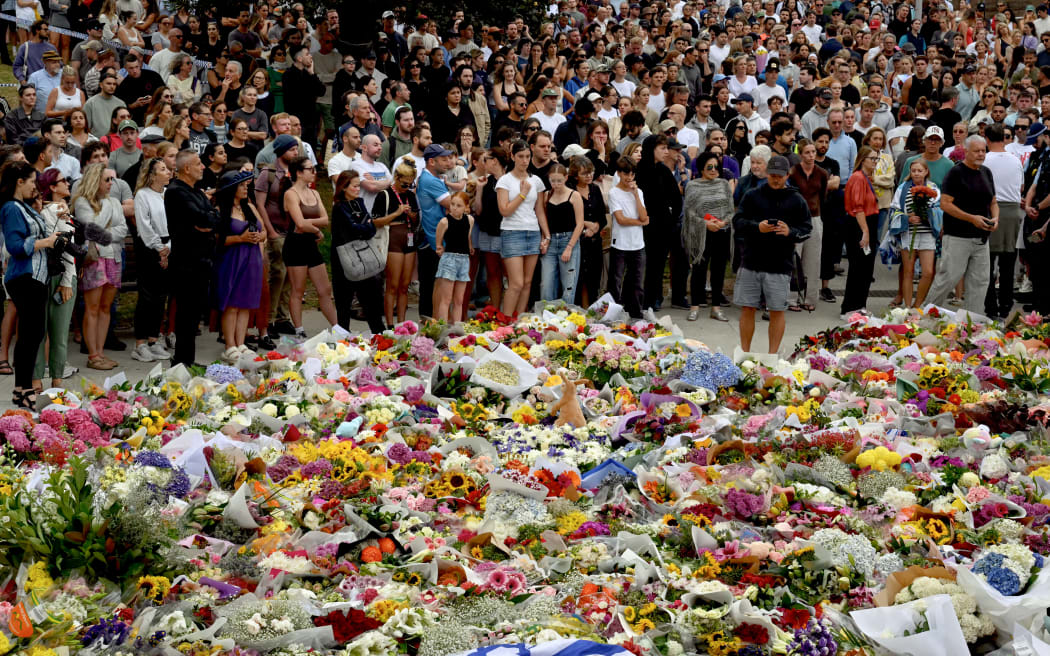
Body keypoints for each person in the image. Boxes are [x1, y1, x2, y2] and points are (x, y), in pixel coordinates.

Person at [733, 155, 812, 355]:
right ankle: (744, 353)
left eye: (780, 175)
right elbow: (738, 222)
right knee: (747, 308)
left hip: (780, 264)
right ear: (767, 174)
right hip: (751, 261)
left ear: (787, 175)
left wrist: (790, 232)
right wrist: (757, 227)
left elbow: (807, 229)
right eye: (773, 175)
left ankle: (772, 356)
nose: (776, 179)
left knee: (777, 310)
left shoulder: (796, 200)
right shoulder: (752, 195)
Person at [0, 161, 59, 408]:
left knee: (34, 335)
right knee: (28, 336)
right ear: (19, 181)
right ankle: (23, 388)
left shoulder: (24, 206)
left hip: (37, 277)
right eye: (32, 181)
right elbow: (14, 247)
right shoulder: (11, 208)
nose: (35, 187)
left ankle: (21, 389)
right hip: (24, 277)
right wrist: (46, 242)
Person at [926, 136, 999, 316]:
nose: (981, 154)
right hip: (958, 236)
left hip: (982, 238)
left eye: (983, 150)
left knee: (980, 282)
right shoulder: (956, 172)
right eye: (977, 151)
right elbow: (945, 203)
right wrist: (971, 218)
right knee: (948, 279)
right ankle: (924, 316)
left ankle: (971, 324)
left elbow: (993, 202)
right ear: (966, 152)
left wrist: (995, 219)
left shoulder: (986, 172)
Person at [166, 149, 220, 366]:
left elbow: (214, 217)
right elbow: (201, 218)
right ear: (186, 168)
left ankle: (188, 359)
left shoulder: (196, 192)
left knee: (194, 315)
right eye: (199, 163)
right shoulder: (175, 191)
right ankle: (181, 360)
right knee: (186, 314)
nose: (203, 167)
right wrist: (206, 221)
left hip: (202, 261)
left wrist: (208, 220)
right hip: (185, 262)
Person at [72, 162, 127, 371]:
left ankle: (101, 352)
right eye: (107, 180)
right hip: (95, 259)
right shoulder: (82, 201)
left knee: (106, 308)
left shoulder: (114, 201)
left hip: (114, 257)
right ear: (95, 181)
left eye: (112, 179)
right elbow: (91, 228)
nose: (111, 183)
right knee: (92, 307)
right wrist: (105, 207)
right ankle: (92, 354)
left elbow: (123, 229)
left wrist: (105, 231)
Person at [281, 156, 337, 339]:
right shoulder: (291, 194)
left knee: (325, 289)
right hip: (296, 244)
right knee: (298, 289)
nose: (314, 172)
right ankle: (299, 329)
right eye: (310, 169)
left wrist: (310, 227)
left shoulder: (315, 193)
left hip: (310, 243)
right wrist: (314, 229)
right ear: (299, 172)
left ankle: (337, 327)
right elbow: (298, 223)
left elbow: (325, 220)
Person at [214, 169, 265, 359]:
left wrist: (259, 236)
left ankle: (241, 342)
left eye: (246, 185)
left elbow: (264, 231)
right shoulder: (220, 211)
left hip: (252, 258)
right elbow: (216, 240)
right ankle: (230, 344)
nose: (246, 188)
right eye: (242, 185)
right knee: (232, 303)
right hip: (232, 258)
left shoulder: (249, 208)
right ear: (231, 188)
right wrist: (240, 238)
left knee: (245, 303)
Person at [33, 169, 77, 389]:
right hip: (49, 275)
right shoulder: (55, 209)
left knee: (58, 332)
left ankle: (55, 379)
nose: (68, 183)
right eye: (63, 181)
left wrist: (67, 281)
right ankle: (39, 379)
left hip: (58, 276)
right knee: (43, 331)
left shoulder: (61, 209)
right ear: (51, 187)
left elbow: (68, 247)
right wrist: (67, 281)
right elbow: (65, 245)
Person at [497, 139, 548, 316]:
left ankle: (519, 321)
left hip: (533, 231)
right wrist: (522, 194)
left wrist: (546, 235)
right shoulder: (505, 180)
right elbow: (504, 210)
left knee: (527, 282)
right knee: (516, 283)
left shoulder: (537, 180)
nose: (525, 160)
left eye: (527, 156)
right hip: (512, 232)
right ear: (512, 156)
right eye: (520, 156)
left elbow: (540, 211)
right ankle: (505, 322)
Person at [255, 133, 299, 341]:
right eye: (292, 149)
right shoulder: (268, 173)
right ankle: (269, 318)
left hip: (292, 231)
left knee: (291, 274)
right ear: (281, 151)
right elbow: (260, 204)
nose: (296, 152)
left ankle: (283, 316)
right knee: (278, 273)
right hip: (276, 230)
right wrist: (270, 230)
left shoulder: (295, 173)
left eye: (296, 149)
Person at [330, 170, 385, 333]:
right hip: (345, 259)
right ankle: (343, 340)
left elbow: (371, 228)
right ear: (344, 187)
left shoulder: (360, 202)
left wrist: (365, 226)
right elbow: (351, 230)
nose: (357, 189)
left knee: (371, 301)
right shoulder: (339, 207)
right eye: (354, 186)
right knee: (344, 303)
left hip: (364, 257)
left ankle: (379, 335)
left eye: (358, 186)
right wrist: (364, 225)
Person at [130, 157, 173, 363]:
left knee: (161, 296)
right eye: (163, 169)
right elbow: (144, 226)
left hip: (168, 245)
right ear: (152, 175)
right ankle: (140, 343)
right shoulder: (142, 195)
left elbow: (175, 222)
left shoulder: (169, 194)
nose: (168, 172)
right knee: (147, 295)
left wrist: (168, 248)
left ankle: (154, 339)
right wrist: (159, 249)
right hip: (149, 247)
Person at [684, 150, 734, 322]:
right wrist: (705, 223)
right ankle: (695, 306)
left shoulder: (724, 184)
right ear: (701, 168)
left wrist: (723, 222)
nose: (713, 170)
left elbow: (730, 210)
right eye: (709, 167)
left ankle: (716, 307)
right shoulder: (693, 186)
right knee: (699, 269)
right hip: (701, 234)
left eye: (716, 167)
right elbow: (689, 212)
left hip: (721, 232)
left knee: (719, 270)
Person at [981, 123, 1024, 319]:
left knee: (987, 262)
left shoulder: (985, 160)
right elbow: (1021, 186)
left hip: (991, 208)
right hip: (1012, 210)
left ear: (987, 139)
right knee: (1008, 260)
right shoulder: (1015, 160)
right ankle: (1006, 304)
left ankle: (990, 305)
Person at [371, 160, 419, 328]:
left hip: (409, 238)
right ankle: (390, 323)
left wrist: (412, 216)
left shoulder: (411, 196)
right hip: (393, 241)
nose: (406, 187)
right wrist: (397, 213)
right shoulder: (385, 195)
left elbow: (416, 218)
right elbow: (376, 221)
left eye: (410, 184)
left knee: (404, 286)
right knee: (393, 284)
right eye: (404, 184)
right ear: (396, 178)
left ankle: (402, 323)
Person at [889, 158, 942, 308]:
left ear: (926, 172)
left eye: (920, 171)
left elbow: (939, 210)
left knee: (928, 272)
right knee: (908, 271)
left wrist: (928, 214)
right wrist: (907, 218)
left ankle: (917, 304)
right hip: (909, 233)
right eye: (913, 171)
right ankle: (907, 306)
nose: (916, 174)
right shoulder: (902, 188)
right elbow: (894, 210)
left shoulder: (933, 188)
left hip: (927, 234)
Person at [788, 139, 829, 312]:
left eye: (813, 152)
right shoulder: (793, 172)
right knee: (794, 258)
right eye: (807, 152)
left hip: (814, 217)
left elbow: (823, 196)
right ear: (800, 154)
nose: (811, 155)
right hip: (795, 219)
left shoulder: (821, 173)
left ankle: (810, 297)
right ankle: (791, 298)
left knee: (813, 260)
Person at [840, 146, 881, 318]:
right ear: (863, 159)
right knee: (858, 267)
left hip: (867, 222)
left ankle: (859, 305)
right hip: (859, 224)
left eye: (876, 159)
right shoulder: (857, 178)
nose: (875, 162)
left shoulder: (866, 178)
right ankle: (850, 307)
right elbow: (858, 208)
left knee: (866, 268)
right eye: (872, 158)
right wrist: (865, 231)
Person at [607, 157, 649, 319]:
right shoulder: (613, 193)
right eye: (626, 173)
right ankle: (614, 314)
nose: (629, 177)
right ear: (619, 173)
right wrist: (640, 222)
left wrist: (636, 196)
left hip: (638, 244)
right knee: (616, 282)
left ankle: (636, 313)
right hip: (620, 244)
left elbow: (644, 214)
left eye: (632, 174)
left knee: (637, 282)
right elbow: (621, 219)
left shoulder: (639, 192)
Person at [416, 144, 454, 319]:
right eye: (444, 159)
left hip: (434, 238)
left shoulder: (432, 178)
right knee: (432, 286)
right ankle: (428, 329)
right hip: (433, 240)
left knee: (433, 285)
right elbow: (454, 206)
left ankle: (431, 327)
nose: (448, 162)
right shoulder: (430, 180)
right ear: (432, 161)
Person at [540, 162, 584, 304]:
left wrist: (570, 247)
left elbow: (580, 224)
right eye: (553, 181)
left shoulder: (574, 195)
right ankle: (546, 314)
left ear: (565, 178)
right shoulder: (547, 195)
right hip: (551, 240)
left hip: (568, 239)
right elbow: (544, 219)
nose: (556, 184)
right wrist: (545, 239)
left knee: (568, 284)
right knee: (546, 283)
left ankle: (565, 315)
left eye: (559, 180)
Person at [569, 155, 606, 308]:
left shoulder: (595, 189)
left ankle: (591, 309)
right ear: (575, 175)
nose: (589, 176)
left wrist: (596, 226)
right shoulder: (570, 190)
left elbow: (602, 216)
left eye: (591, 172)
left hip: (594, 241)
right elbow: (567, 215)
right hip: (577, 240)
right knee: (579, 279)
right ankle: (580, 309)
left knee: (593, 278)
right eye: (584, 173)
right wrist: (585, 225)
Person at [433, 192, 475, 322]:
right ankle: (443, 328)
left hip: (464, 259)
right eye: (452, 204)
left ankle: (457, 328)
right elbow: (438, 243)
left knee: (459, 300)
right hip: (450, 258)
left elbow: (467, 236)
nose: (455, 208)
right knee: (446, 299)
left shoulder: (469, 220)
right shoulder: (445, 221)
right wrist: (440, 249)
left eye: (459, 205)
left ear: (466, 207)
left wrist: (470, 247)